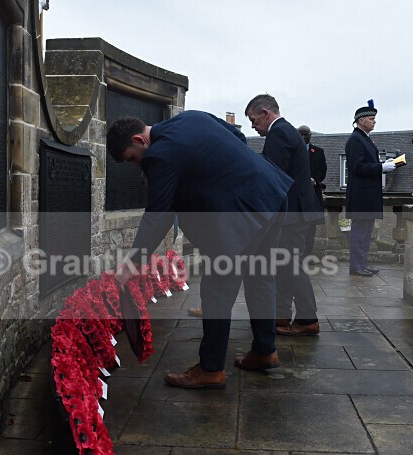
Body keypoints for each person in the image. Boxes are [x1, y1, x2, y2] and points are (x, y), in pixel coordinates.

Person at [107, 110, 291, 389]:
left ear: (139, 139)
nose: (137, 166)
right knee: (260, 278)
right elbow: (238, 137)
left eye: (133, 159)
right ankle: (265, 351)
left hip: (241, 213)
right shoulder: (192, 117)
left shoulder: (159, 155)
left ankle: (211, 369)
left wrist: (130, 266)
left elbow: (158, 216)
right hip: (271, 192)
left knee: (217, 289)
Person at [245, 94, 323, 337]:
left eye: (254, 120)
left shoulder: (279, 132)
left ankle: (308, 319)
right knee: (285, 266)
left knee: (291, 267)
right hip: (297, 213)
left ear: (266, 114)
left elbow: (271, 174)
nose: (252, 126)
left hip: (293, 214)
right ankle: (280, 315)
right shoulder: (287, 131)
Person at [344, 100, 397, 277]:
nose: (374, 121)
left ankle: (362, 263)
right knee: (360, 232)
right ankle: (356, 265)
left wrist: (382, 164)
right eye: (371, 118)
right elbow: (357, 167)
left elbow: (366, 164)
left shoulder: (363, 139)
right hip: (361, 194)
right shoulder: (355, 140)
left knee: (366, 232)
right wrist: (381, 168)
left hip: (368, 194)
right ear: (361, 120)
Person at [298, 125, 327, 256]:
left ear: (310, 135)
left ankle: (307, 254)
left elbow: (322, 170)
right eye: (301, 135)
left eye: (306, 135)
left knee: (311, 227)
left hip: (313, 194)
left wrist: (314, 180)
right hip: (297, 195)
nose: (304, 137)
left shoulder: (318, 151)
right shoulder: (293, 151)